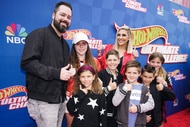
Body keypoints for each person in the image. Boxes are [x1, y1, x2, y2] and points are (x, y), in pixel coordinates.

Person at [20, 1, 74, 127]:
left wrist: (70, 71)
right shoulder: (38, 34)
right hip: (43, 102)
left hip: (60, 100)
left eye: (69, 17)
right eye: (62, 15)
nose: (65, 19)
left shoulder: (65, 45)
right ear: (53, 15)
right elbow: (27, 63)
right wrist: (57, 73)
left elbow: (60, 69)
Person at [65, 32, 101, 127]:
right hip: (72, 99)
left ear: (87, 45)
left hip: (90, 99)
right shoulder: (67, 61)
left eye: (84, 43)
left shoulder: (95, 61)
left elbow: (98, 81)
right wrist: (69, 76)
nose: (81, 47)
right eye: (78, 44)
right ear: (74, 46)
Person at [112, 60, 154, 127]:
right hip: (123, 124)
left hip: (139, 124)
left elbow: (151, 104)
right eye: (129, 72)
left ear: (139, 74)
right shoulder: (121, 86)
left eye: (134, 73)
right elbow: (115, 102)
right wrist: (124, 90)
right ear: (125, 73)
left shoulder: (144, 88)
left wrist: (138, 108)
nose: (131, 75)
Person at [98, 49, 123, 127]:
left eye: (115, 60)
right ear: (106, 61)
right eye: (110, 60)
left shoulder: (120, 76)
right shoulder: (101, 74)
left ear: (119, 61)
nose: (112, 62)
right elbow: (97, 93)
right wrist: (108, 88)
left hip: (116, 113)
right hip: (104, 111)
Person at [148, 52, 175, 125]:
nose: (155, 64)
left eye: (158, 62)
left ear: (162, 63)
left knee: (159, 123)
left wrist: (164, 83)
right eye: (153, 62)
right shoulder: (145, 72)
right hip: (146, 105)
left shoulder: (165, 74)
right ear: (149, 61)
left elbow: (171, 92)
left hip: (159, 105)